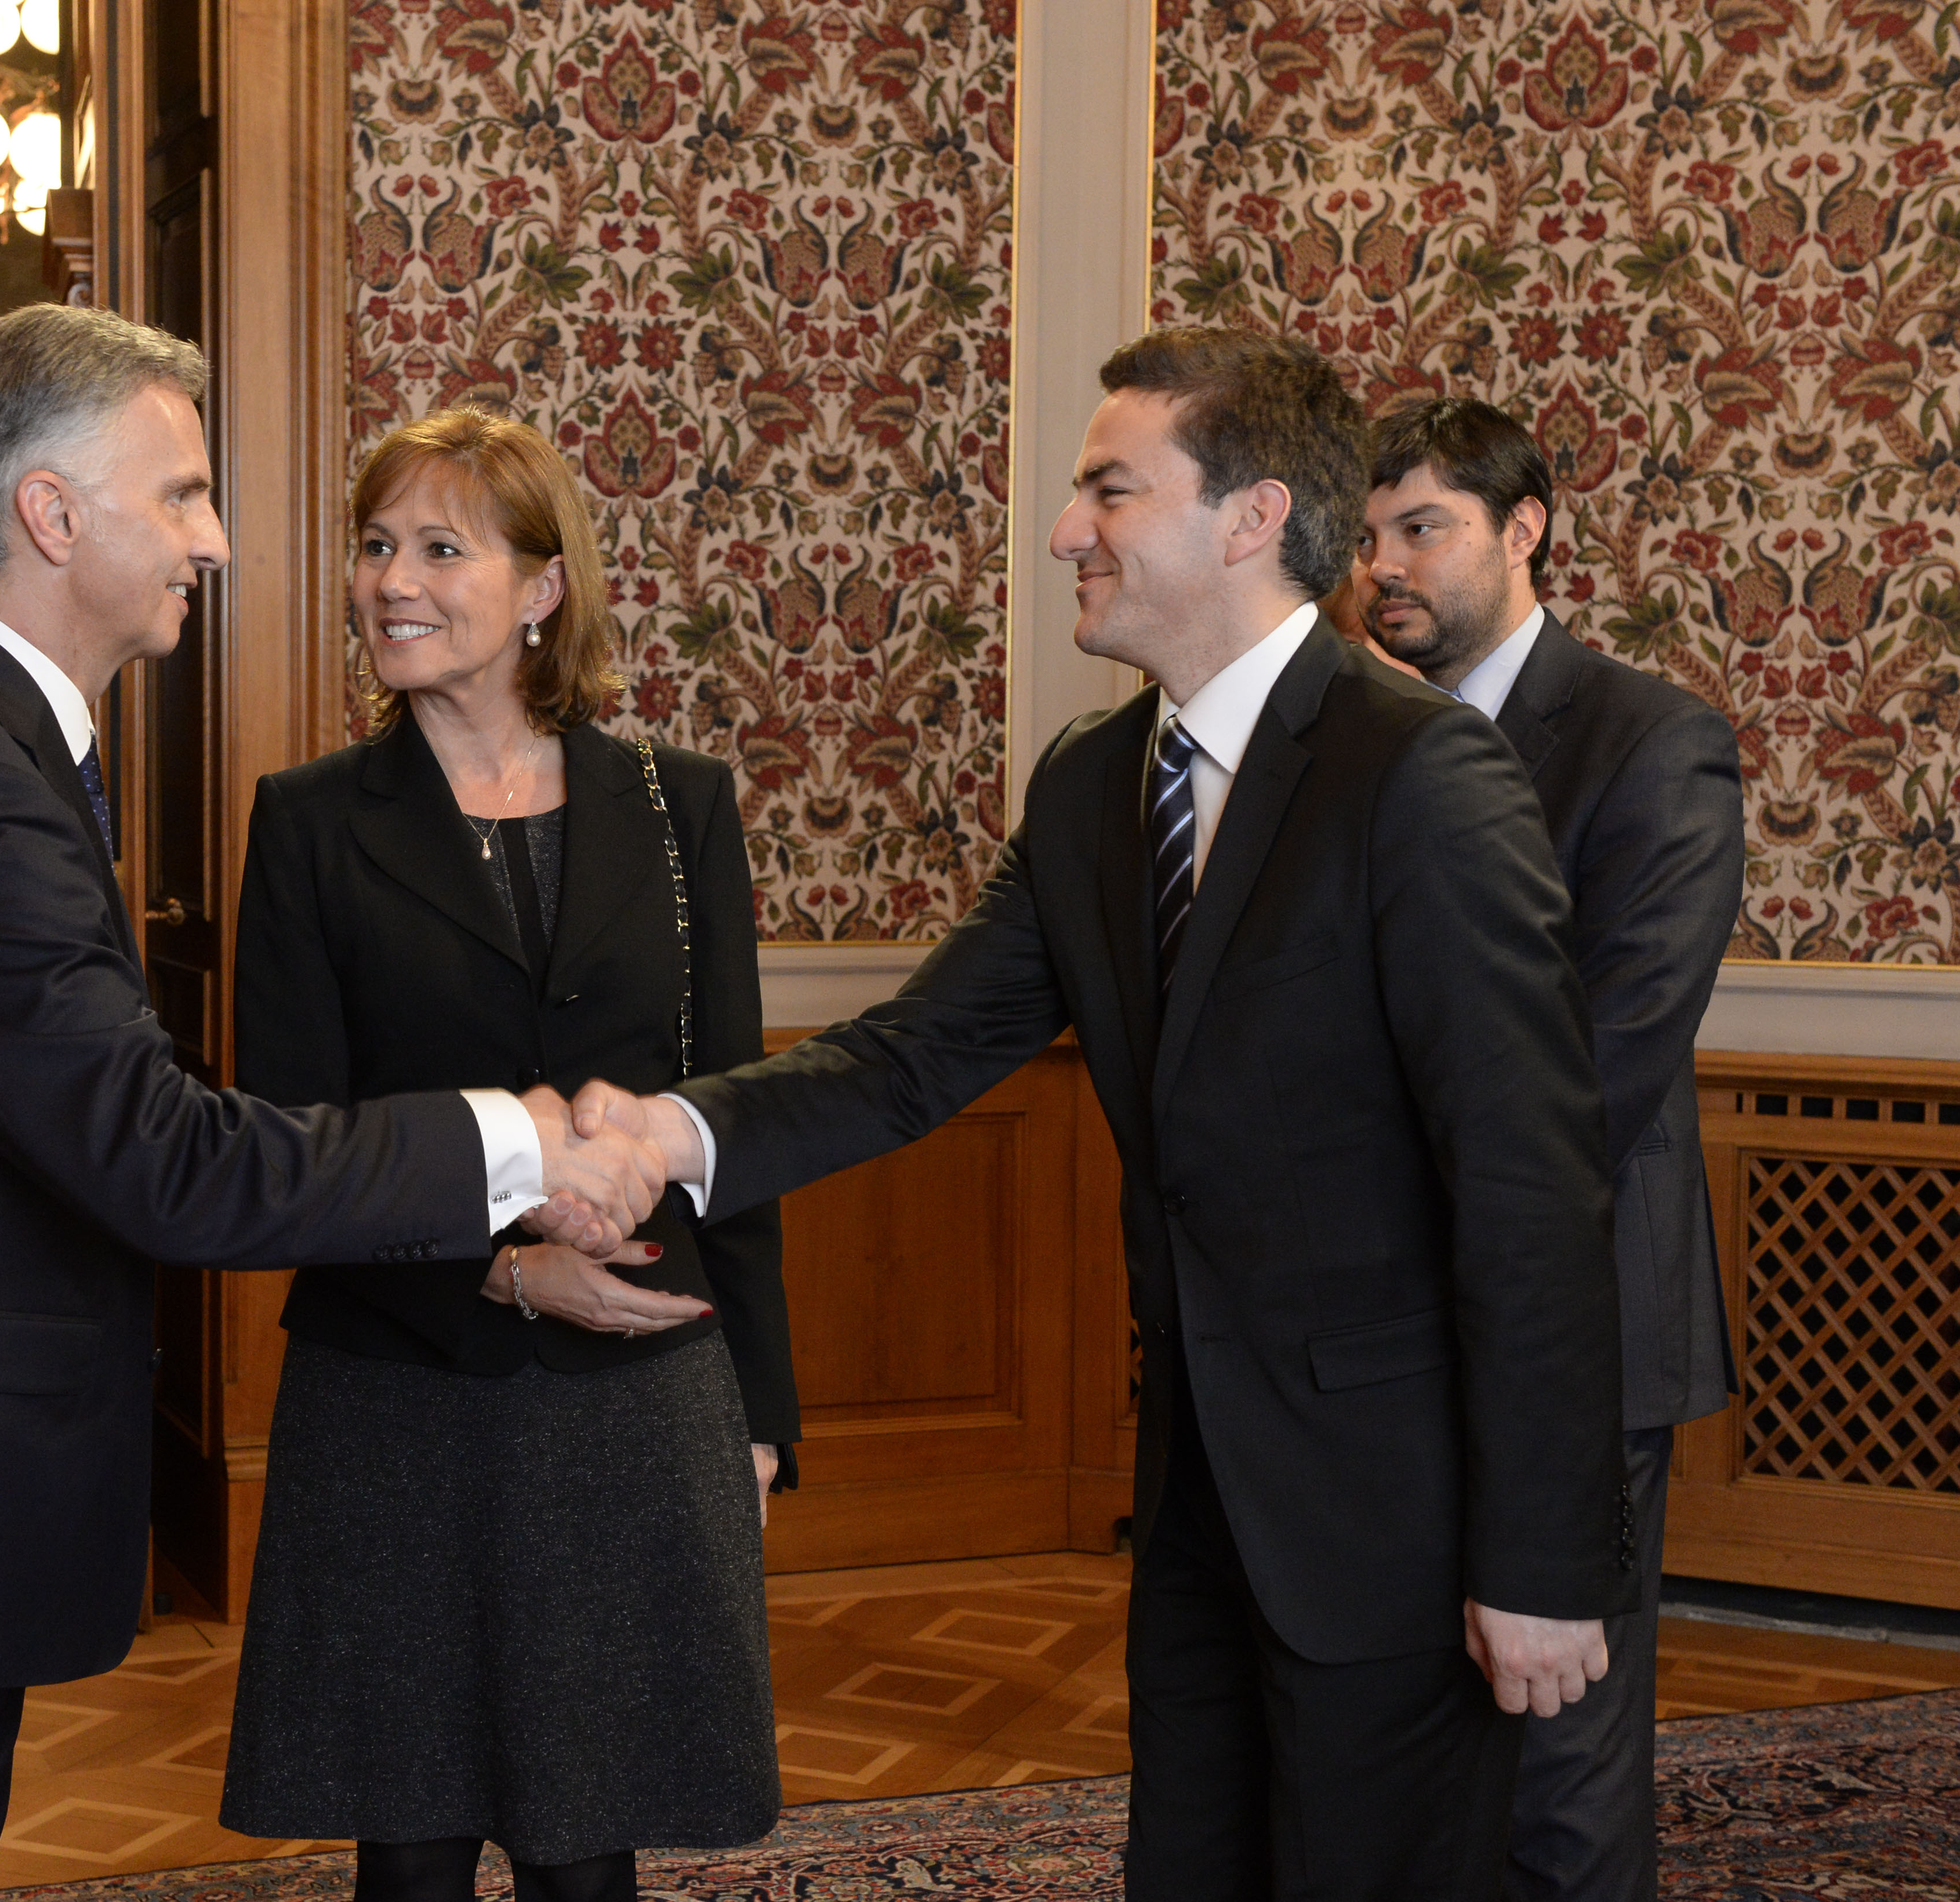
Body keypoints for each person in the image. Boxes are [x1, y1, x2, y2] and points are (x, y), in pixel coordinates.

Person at [0, 306, 667, 1902]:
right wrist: (516, 1136)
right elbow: (164, 1162)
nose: (218, 540)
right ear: (52, 515)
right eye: (178, 494)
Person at [567, 327, 1637, 1900]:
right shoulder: (1092, 787)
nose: (1067, 530)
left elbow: (1534, 1192)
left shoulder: (1421, 776)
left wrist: (1543, 1564)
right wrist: (671, 1137)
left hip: (1395, 1524)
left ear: (1252, 518)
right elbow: (915, 1053)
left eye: (1108, 489)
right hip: (1200, 1502)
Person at [218, 406, 797, 1902]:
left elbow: (731, 1120)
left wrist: (761, 1410)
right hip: (399, 1388)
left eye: (438, 547)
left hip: (638, 1386)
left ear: (542, 588)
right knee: (407, 1837)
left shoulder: (680, 808)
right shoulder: (306, 826)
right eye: (374, 545)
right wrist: (504, 1274)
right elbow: (292, 1142)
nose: (390, 580)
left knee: (586, 1834)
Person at [1362, 397, 1745, 1902]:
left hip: (1576, 1315)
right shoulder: (1357, 744)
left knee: (1561, 1758)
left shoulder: (1653, 742)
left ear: (1526, 533)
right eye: (1377, 535)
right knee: (1414, 1737)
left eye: (1426, 529)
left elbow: (1610, 1060)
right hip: (1382, 1328)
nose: (1389, 567)